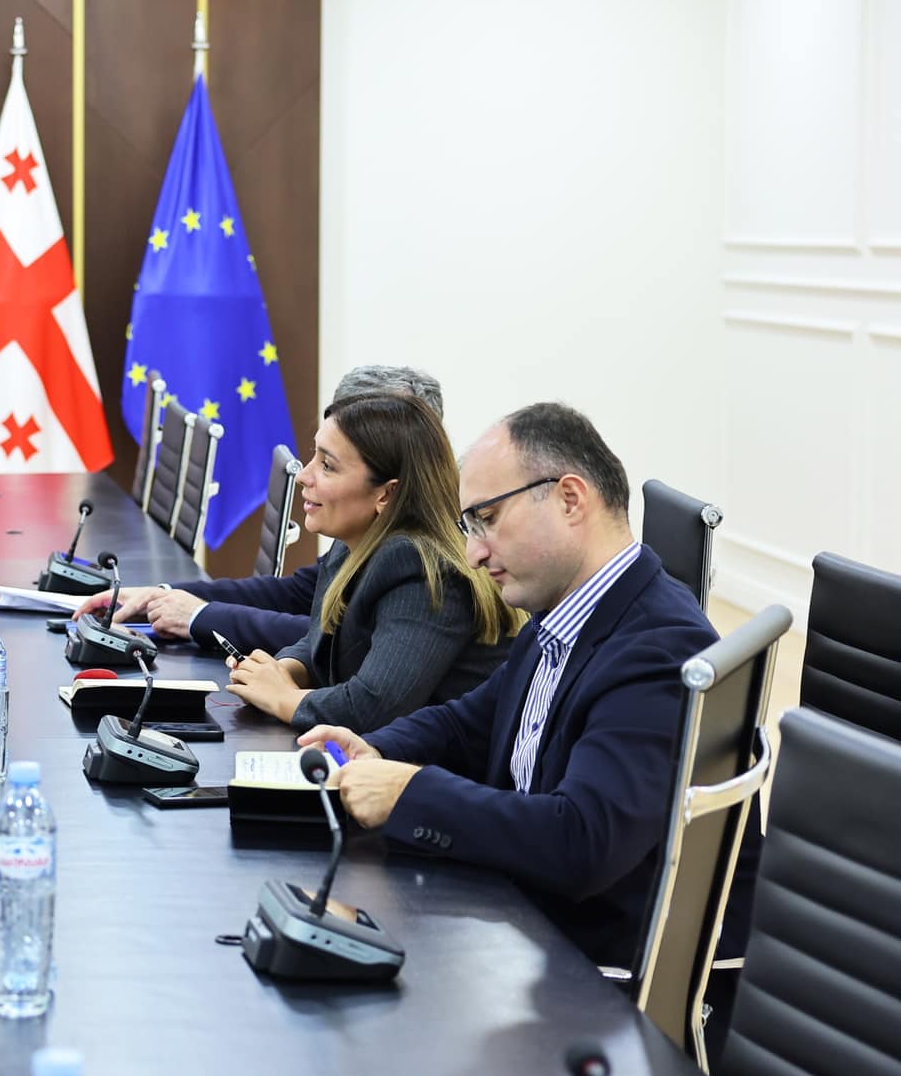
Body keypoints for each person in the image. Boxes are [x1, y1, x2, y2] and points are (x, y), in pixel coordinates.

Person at [297, 401, 717, 967]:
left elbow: (581, 841)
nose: (473, 553)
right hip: (521, 920)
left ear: (570, 499)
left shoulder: (658, 650)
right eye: (470, 526)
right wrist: (377, 749)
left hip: (585, 970)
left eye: (488, 520)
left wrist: (410, 792)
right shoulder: (565, 611)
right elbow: (470, 722)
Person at [74, 364, 445, 652]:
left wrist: (199, 616)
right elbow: (299, 594)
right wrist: (161, 596)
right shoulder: (367, 523)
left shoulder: (423, 559)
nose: (305, 476)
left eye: (330, 464)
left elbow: (343, 645)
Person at [223, 391, 517, 733]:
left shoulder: (423, 568)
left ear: (386, 494)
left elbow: (371, 709)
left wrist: (280, 697)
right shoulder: (356, 542)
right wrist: (283, 670)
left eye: (327, 466)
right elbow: (330, 641)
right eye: (314, 456)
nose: (304, 476)